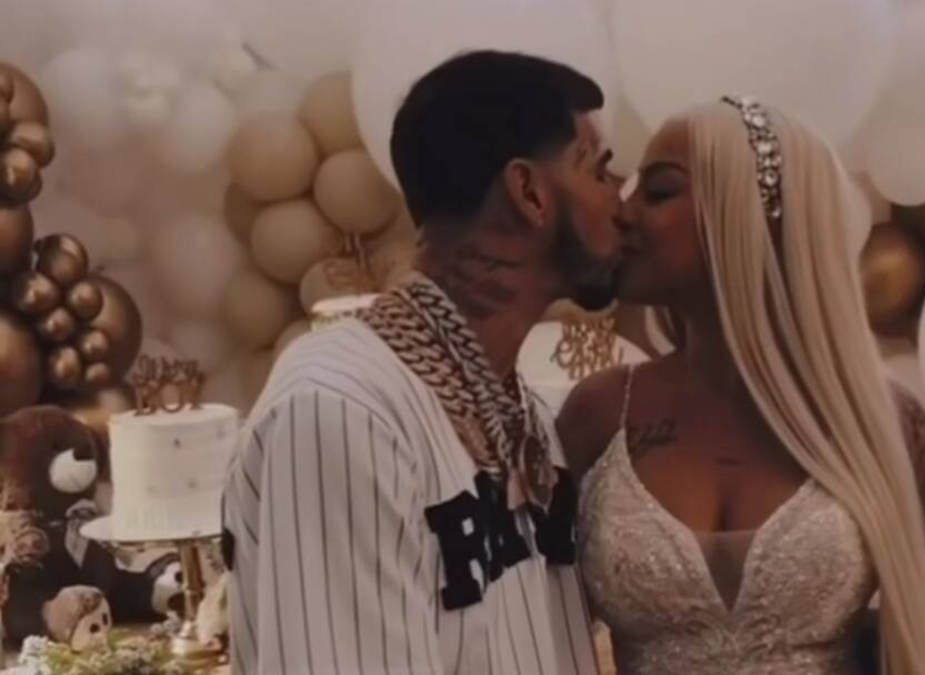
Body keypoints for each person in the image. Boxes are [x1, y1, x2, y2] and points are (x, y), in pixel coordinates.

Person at [222, 50, 626, 675]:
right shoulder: (341, 410)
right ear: (529, 193)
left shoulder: (522, 417)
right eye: (598, 170)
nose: (620, 199)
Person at [558, 97, 925, 675]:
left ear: (750, 217)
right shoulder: (599, 414)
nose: (624, 213)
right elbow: (542, 634)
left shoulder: (883, 420)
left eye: (658, 192)